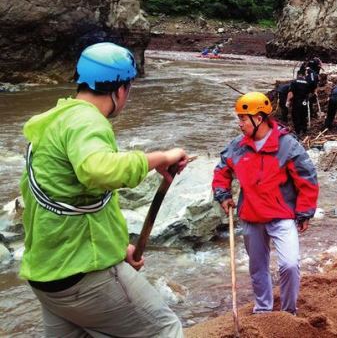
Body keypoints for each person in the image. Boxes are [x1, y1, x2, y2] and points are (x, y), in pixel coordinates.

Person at [20, 42, 190, 337]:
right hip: (83, 276)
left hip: (48, 277)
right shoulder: (88, 122)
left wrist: (116, 249)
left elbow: (70, 203)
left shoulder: (54, 122)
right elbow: (98, 169)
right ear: (121, 89)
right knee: (164, 328)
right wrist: (160, 158)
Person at [212, 92, 319, 314]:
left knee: (289, 265)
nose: (239, 124)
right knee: (257, 267)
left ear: (258, 118)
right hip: (251, 215)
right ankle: (263, 310)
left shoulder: (287, 145)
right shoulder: (237, 146)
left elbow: (306, 178)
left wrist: (305, 212)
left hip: (282, 215)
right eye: (239, 118)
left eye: (243, 118)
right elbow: (222, 170)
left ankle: (289, 312)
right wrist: (223, 194)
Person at [287, 68, 312, 137]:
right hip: (304, 102)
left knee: (296, 116)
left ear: (298, 74)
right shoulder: (307, 82)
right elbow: (309, 94)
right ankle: (304, 130)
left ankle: (298, 131)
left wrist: (288, 102)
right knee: (303, 116)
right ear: (304, 75)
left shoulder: (294, 82)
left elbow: (291, 94)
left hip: (297, 102)